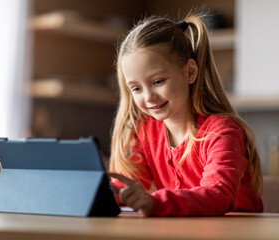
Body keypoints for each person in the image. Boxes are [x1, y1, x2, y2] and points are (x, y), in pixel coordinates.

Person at [109, 13, 263, 217]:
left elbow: (218, 196)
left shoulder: (222, 131)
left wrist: (154, 202)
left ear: (190, 72)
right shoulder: (146, 131)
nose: (148, 97)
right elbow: (124, 188)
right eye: (136, 88)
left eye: (158, 81)